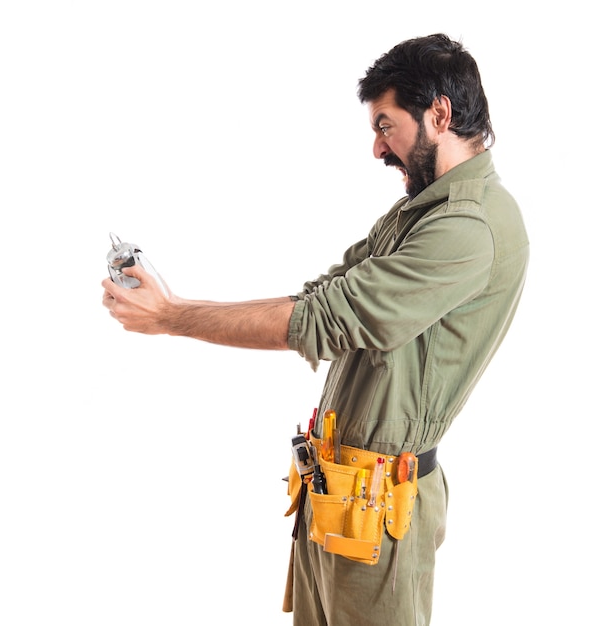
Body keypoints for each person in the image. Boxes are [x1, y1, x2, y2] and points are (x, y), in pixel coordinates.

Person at [102, 33, 529, 626]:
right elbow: (322, 296)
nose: (378, 148)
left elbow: (320, 320)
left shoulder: (468, 227)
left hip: (378, 515)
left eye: (386, 125)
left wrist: (173, 317)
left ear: (439, 113)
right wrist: (176, 303)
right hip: (337, 499)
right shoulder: (425, 210)